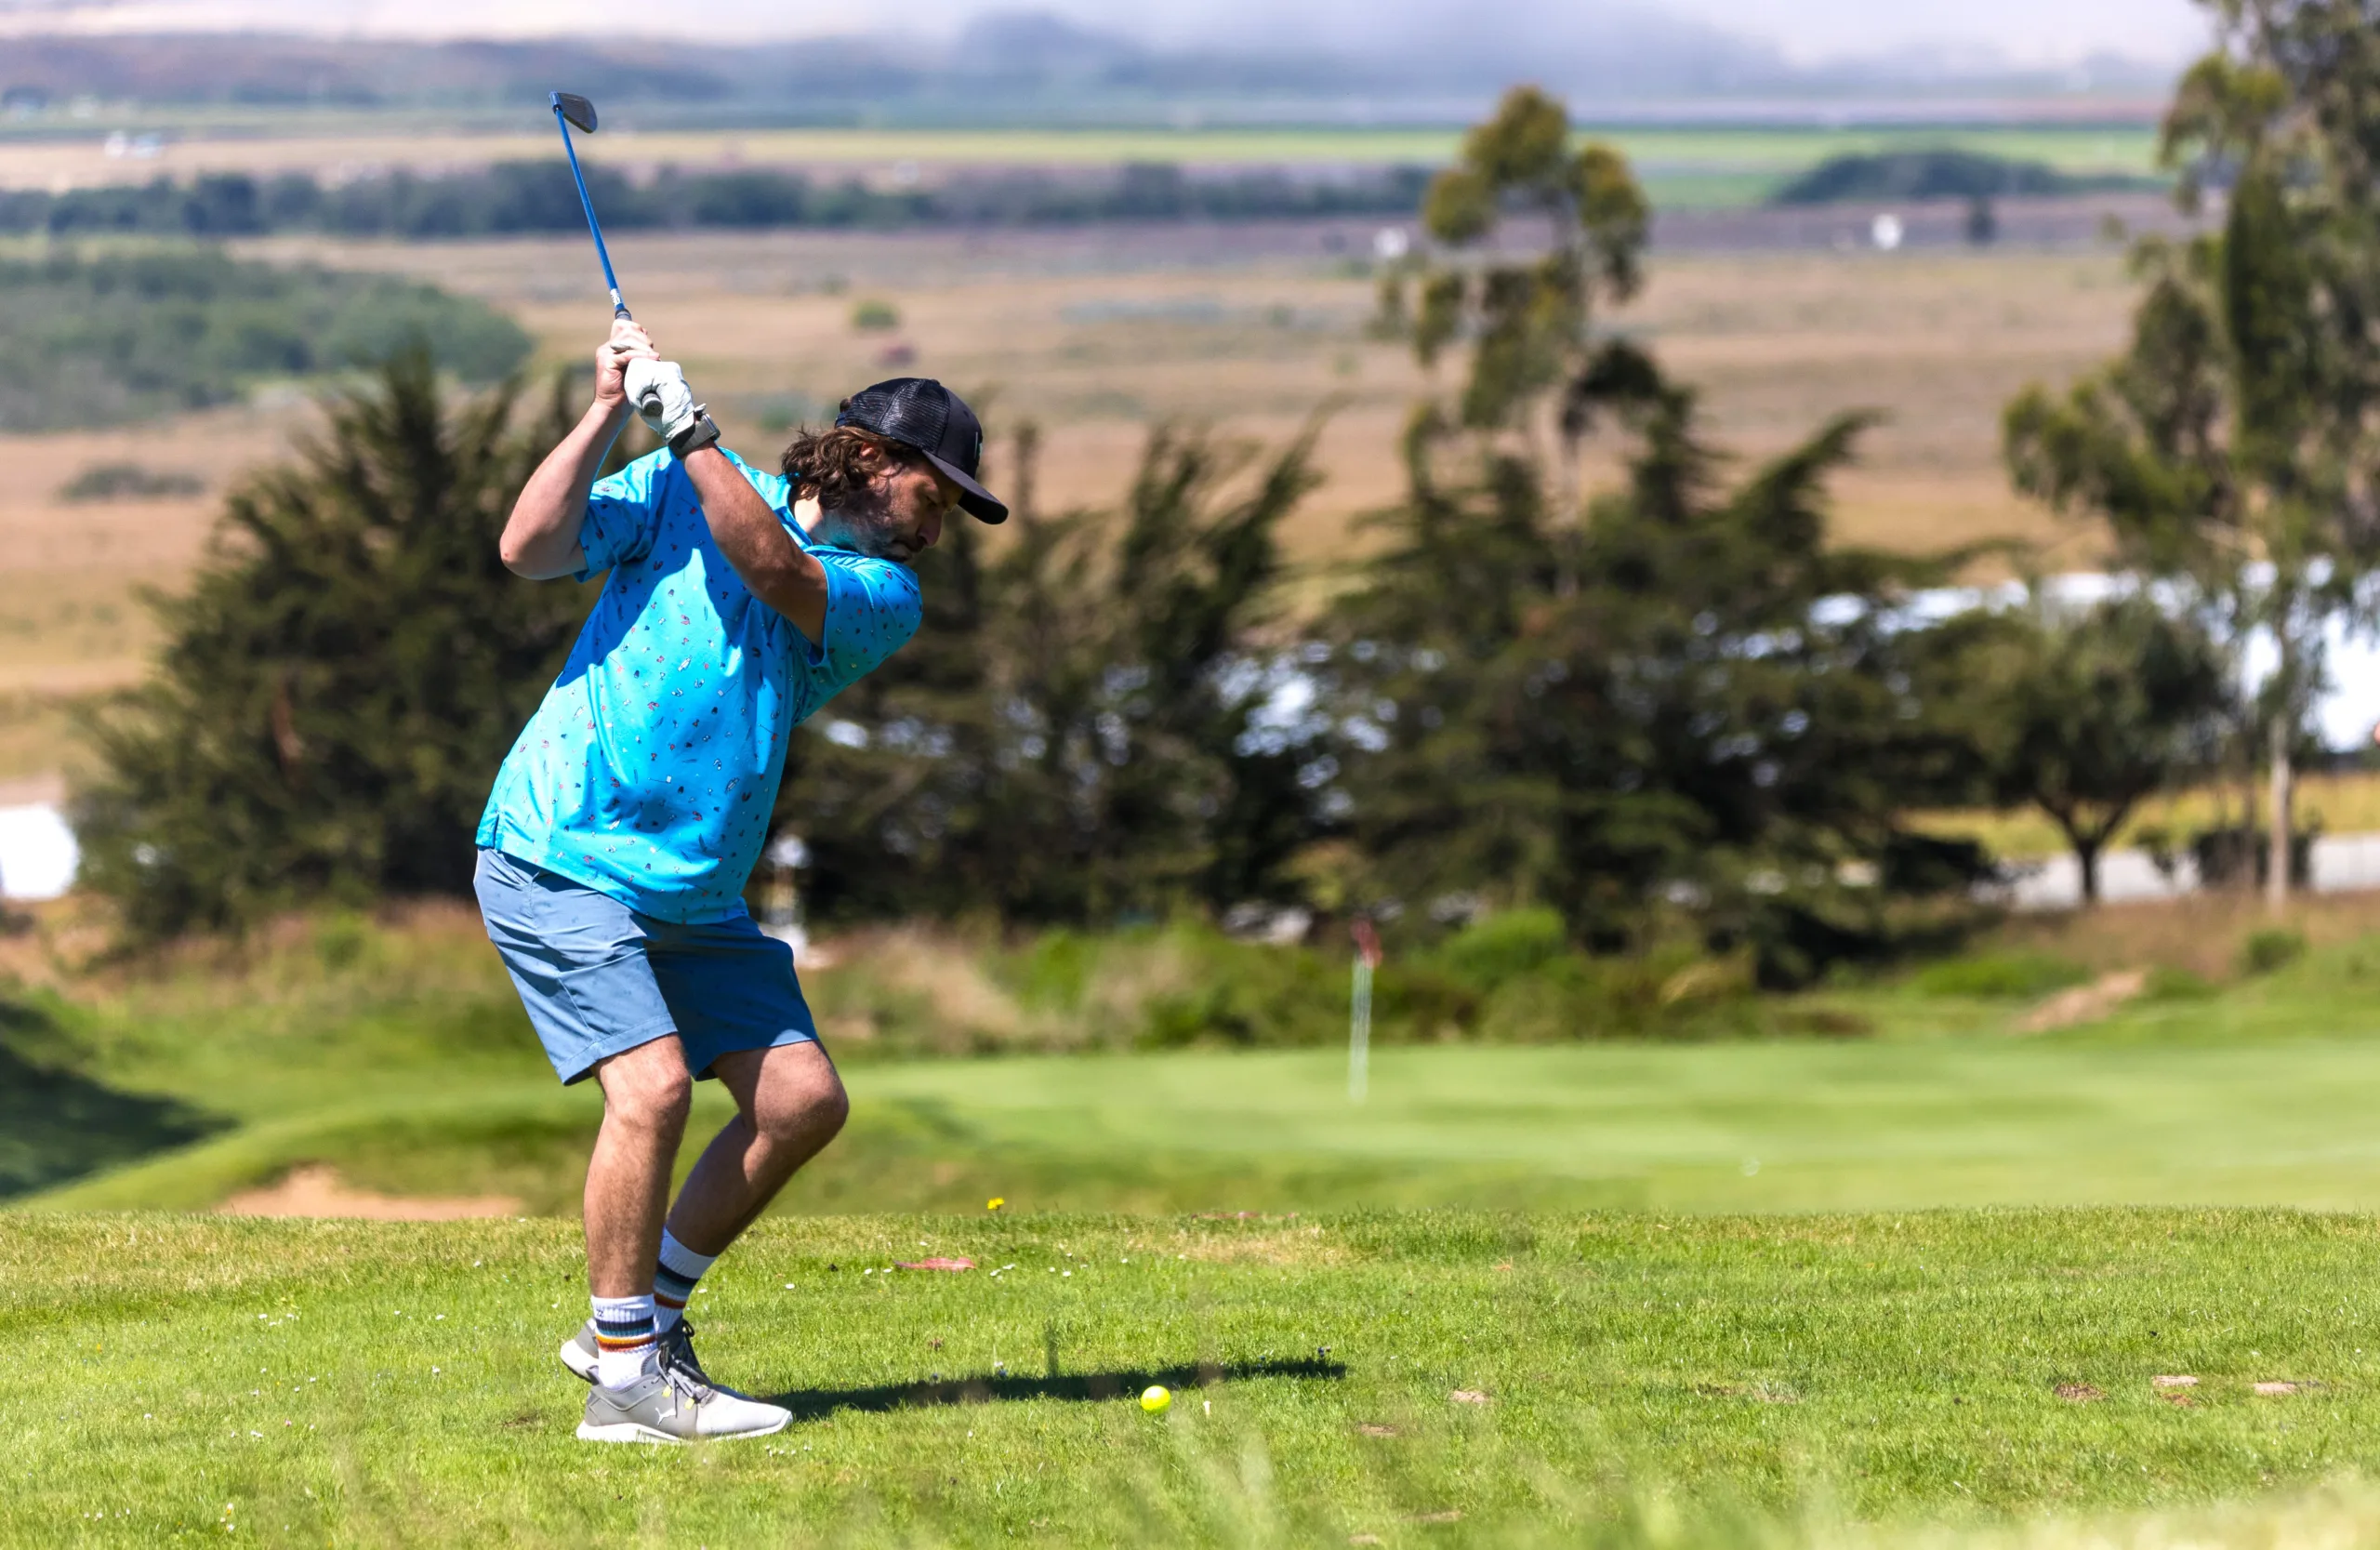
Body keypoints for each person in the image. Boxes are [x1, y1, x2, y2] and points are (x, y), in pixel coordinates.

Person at [474, 317, 1006, 1443]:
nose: (943, 518)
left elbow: (769, 563)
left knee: (802, 1099)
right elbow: (527, 548)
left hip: (692, 892)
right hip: (560, 843)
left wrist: (690, 432)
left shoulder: (878, 592)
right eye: (936, 490)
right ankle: (625, 1377)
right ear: (871, 460)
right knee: (654, 1088)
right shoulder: (678, 486)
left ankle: (643, 1327)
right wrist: (610, 408)